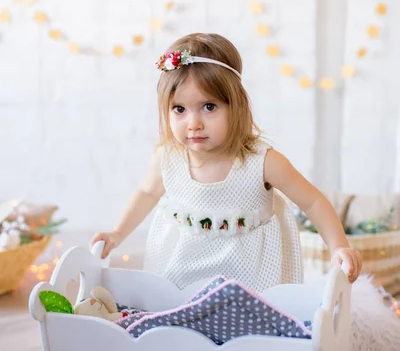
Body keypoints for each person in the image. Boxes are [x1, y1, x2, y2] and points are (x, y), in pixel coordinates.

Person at [91, 32, 362, 291]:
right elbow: (147, 193)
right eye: (179, 109)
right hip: (179, 266)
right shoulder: (168, 157)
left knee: (246, 330)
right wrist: (117, 234)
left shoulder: (262, 162)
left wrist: (338, 246)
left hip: (249, 273)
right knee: (174, 323)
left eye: (209, 107)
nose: (193, 123)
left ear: (236, 105)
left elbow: (312, 201)